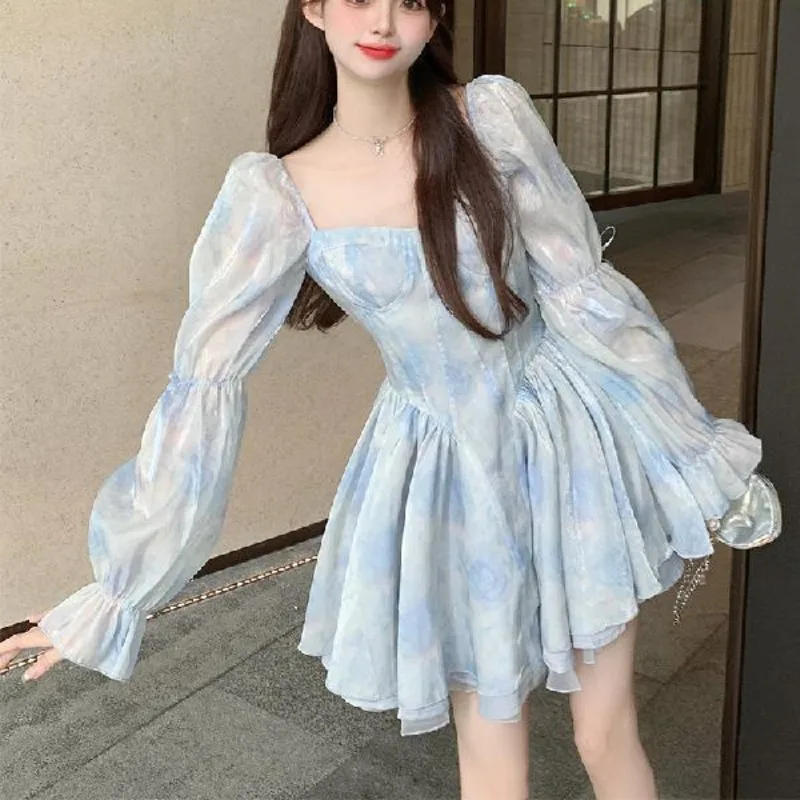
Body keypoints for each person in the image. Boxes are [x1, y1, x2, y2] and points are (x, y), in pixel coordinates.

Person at [1, 1, 762, 798]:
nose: (384, 23)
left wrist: (696, 449)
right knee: (491, 755)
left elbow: (583, 292)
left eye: (410, 2)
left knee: (605, 732)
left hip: (566, 442)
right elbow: (203, 387)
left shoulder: (489, 119)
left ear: (435, 19)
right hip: (443, 480)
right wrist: (115, 595)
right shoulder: (278, 192)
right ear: (314, 8)